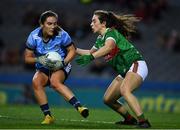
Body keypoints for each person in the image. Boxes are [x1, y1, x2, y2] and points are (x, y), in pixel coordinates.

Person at [76, 10, 151, 128]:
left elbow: (109, 47)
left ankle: (143, 121)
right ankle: (129, 119)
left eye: (94, 21)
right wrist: (71, 48)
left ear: (103, 23)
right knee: (108, 99)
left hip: (135, 64)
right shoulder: (100, 39)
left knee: (125, 90)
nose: (91, 24)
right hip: (125, 71)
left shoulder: (111, 33)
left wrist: (91, 57)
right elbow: (90, 52)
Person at [24, 10, 89, 125]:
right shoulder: (33, 36)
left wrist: (63, 63)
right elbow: (27, 58)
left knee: (55, 82)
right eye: (49, 24)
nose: (53, 26)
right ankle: (48, 116)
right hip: (43, 66)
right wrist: (38, 59)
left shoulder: (62, 34)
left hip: (62, 64)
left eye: (55, 23)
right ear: (41, 24)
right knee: (36, 81)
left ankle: (80, 107)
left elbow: (72, 50)